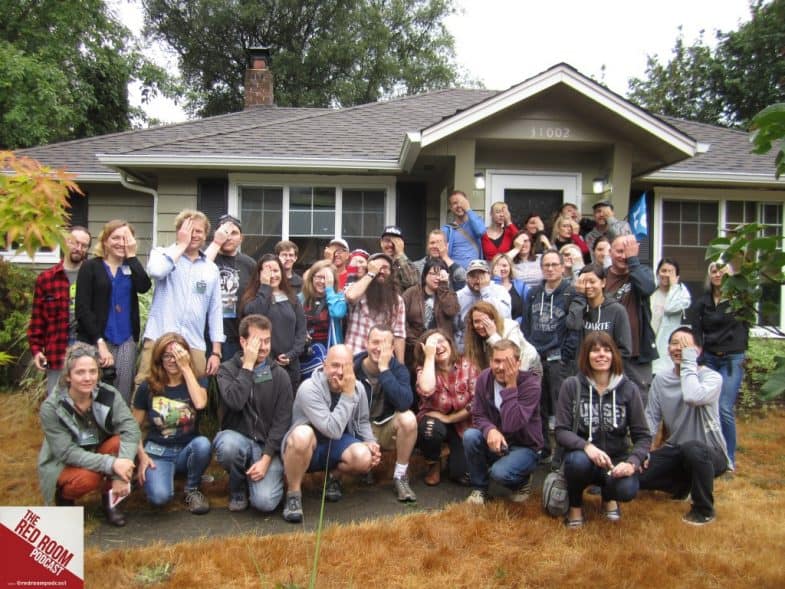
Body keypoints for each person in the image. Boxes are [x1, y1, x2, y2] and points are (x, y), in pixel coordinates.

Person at [38, 343, 141, 527]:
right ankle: (64, 497)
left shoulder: (108, 394)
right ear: (68, 376)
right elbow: (67, 453)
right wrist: (113, 464)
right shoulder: (51, 407)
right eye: (80, 372)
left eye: (93, 371)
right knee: (89, 478)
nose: (88, 378)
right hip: (63, 461)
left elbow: (131, 428)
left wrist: (119, 476)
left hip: (96, 449)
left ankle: (111, 499)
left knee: (121, 442)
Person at [555, 332, 651, 528]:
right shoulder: (571, 386)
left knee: (627, 489)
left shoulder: (629, 389)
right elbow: (561, 430)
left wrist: (632, 463)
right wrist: (587, 446)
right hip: (584, 458)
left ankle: (609, 498)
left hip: (615, 461)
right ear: (586, 355)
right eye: (595, 350)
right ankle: (575, 507)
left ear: (614, 355)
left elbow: (643, 436)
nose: (601, 355)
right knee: (575, 462)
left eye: (607, 350)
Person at [639, 326, 730, 526]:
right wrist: (642, 451)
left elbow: (692, 396)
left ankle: (703, 510)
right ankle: (682, 485)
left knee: (693, 448)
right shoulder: (661, 380)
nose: (678, 348)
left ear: (699, 350)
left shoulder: (712, 378)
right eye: (674, 343)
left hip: (710, 453)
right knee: (638, 476)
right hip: (677, 451)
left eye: (686, 344)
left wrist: (688, 361)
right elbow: (651, 418)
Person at [280, 344, 380, 523]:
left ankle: (333, 478)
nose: (340, 372)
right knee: (302, 434)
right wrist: (348, 395)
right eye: (334, 365)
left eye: (346, 366)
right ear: (324, 365)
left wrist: (370, 442)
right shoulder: (309, 388)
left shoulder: (358, 388)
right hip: (307, 445)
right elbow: (331, 429)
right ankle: (293, 493)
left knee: (364, 457)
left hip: (336, 443)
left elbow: (363, 420)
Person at [215, 314, 293, 513]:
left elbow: (282, 421)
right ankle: (237, 486)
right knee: (227, 446)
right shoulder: (226, 370)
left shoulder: (280, 375)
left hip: (266, 446)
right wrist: (248, 367)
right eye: (258, 341)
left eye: (267, 341)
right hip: (238, 440)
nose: (265, 347)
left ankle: (265, 481)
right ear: (243, 341)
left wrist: (266, 458)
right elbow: (235, 402)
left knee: (265, 503)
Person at [138, 209, 224, 382]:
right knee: (146, 388)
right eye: (188, 230)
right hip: (159, 338)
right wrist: (181, 245)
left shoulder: (210, 268)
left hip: (193, 344)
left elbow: (215, 311)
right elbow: (156, 271)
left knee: (193, 397)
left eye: (198, 231)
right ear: (179, 232)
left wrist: (216, 351)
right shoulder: (162, 254)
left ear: (206, 234)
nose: (194, 235)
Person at [133, 333, 211, 514]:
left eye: (177, 355)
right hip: (158, 452)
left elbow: (199, 403)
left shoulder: (196, 380)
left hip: (186, 450)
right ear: (159, 358)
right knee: (159, 498)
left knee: (203, 445)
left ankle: (191, 489)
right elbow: (132, 427)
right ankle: (162, 477)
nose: (172, 360)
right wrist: (142, 456)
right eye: (166, 356)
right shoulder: (148, 386)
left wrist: (186, 369)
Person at [75, 221, 151, 403]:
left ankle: (116, 431)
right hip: (97, 339)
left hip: (125, 340)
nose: (120, 242)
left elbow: (144, 286)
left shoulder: (131, 267)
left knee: (121, 395)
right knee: (93, 391)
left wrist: (131, 256)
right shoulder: (91, 267)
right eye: (115, 238)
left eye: (125, 239)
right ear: (105, 241)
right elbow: (83, 308)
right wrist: (99, 343)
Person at [463, 340, 543, 505]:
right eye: (496, 361)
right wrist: (490, 429)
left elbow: (513, 424)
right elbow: (478, 414)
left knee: (499, 473)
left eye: (507, 362)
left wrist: (511, 385)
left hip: (525, 445)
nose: (500, 367)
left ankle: (522, 481)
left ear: (518, 363)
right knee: (470, 436)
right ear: (491, 361)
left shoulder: (531, 385)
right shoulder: (484, 378)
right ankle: (480, 489)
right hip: (498, 441)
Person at [690, 262, 749, 470]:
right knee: (709, 407)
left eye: (722, 271)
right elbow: (696, 330)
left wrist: (741, 353)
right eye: (713, 271)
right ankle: (711, 454)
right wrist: (699, 353)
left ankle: (729, 458)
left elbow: (745, 328)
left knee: (724, 407)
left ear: (730, 275)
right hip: (710, 358)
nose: (717, 274)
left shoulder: (738, 301)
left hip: (732, 359)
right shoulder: (703, 302)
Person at [354, 325, 418, 501]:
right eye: (375, 342)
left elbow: (405, 402)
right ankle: (335, 478)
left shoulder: (398, 369)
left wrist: (385, 370)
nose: (379, 348)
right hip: (357, 430)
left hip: (384, 427)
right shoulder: (352, 367)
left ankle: (400, 476)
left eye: (384, 344)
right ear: (366, 344)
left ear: (392, 349)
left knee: (409, 419)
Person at [523, 250, 578, 454]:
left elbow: (575, 328)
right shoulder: (533, 293)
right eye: (546, 265)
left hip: (559, 359)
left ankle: (564, 452)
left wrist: (565, 354)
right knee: (539, 405)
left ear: (563, 267)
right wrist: (529, 350)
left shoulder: (570, 293)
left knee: (561, 407)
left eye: (555, 264)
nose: (550, 268)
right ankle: (544, 449)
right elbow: (527, 325)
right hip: (536, 358)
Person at [28, 226, 92, 396]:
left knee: (85, 406)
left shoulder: (94, 276)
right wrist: (36, 350)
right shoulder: (47, 279)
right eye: (74, 242)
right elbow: (37, 320)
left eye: (84, 245)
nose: (79, 248)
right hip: (57, 349)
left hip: (86, 349)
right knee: (57, 403)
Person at [415, 329, 477, 486]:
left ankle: (451, 455)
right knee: (430, 430)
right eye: (432, 344)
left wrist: (450, 418)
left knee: (462, 476)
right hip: (434, 421)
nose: (438, 346)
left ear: (450, 343)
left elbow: (476, 403)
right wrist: (429, 357)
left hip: (462, 423)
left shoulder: (467, 364)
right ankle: (433, 464)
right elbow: (427, 389)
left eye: (441, 341)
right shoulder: (424, 369)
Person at [239, 254, 307, 391]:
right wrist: (265, 286)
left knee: (288, 404)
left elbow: (301, 330)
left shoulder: (292, 298)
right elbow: (254, 314)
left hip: (290, 363)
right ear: (259, 274)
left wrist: (292, 355)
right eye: (267, 271)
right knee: (265, 399)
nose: (273, 275)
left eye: (276, 270)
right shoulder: (252, 298)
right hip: (262, 363)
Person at [605, 235, 658, 403]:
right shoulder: (601, 276)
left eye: (627, 252)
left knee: (639, 401)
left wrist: (633, 261)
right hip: (607, 352)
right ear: (610, 252)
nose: (623, 256)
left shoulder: (642, 273)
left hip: (637, 352)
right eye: (619, 251)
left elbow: (647, 288)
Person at [204, 214, 258, 361]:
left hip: (236, 335)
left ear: (241, 238)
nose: (229, 237)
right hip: (206, 334)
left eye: (234, 233)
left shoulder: (250, 264)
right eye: (225, 233)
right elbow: (199, 272)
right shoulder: (207, 258)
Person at [344, 253, 406, 361]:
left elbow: (399, 335)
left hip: (382, 360)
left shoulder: (397, 301)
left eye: (385, 268)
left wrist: (400, 366)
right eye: (377, 267)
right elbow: (351, 296)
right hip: (354, 356)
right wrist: (371, 273)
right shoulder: (357, 289)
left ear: (391, 273)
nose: (381, 271)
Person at [401, 257, 459, 368]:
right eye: (433, 274)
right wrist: (414, 341)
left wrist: (443, 286)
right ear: (425, 275)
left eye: (440, 274)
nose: (437, 278)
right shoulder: (411, 293)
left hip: (441, 347)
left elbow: (451, 310)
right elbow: (401, 318)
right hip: (414, 348)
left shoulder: (448, 293)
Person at [567, 263, 632, 360]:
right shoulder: (578, 305)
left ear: (603, 282)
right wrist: (580, 296)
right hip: (582, 370)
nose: (588, 286)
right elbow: (573, 325)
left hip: (607, 368)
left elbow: (625, 350)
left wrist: (601, 359)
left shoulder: (617, 310)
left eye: (592, 282)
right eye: (584, 282)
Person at [463, 301, 541, 375]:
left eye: (484, 320)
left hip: (527, 364)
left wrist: (493, 335)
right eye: (476, 321)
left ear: (493, 319)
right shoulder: (475, 336)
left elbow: (511, 356)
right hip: (502, 370)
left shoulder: (510, 327)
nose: (480, 325)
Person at [455, 259, 511, 353]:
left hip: (497, 341)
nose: (478, 280)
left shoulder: (500, 291)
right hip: (469, 347)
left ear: (489, 276)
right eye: (473, 276)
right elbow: (456, 327)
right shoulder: (459, 296)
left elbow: (504, 316)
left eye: (482, 275)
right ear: (467, 278)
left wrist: (485, 291)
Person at [651, 258, 692, 375]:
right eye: (663, 270)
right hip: (650, 346)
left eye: (671, 272)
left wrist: (673, 287)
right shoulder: (651, 292)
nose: (667, 275)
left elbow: (670, 307)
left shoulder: (681, 293)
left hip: (666, 349)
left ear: (677, 276)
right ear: (658, 272)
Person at [301, 259, 347, 348]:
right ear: (312, 278)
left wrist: (329, 289)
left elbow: (337, 313)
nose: (322, 281)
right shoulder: (302, 298)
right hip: (305, 350)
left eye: (326, 278)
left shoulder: (339, 297)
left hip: (330, 348)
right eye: (319, 277)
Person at [442, 190, 485, 270]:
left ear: (467, 203)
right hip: (455, 275)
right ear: (451, 208)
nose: (458, 205)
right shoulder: (447, 230)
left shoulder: (476, 223)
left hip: (475, 273)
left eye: (461, 202)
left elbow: (481, 231)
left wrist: (468, 209)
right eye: (454, 203)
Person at [490, 253, 528, 326]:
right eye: (497, 265)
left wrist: (519, 322)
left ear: (510, 267)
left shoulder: (521, 286)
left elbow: (528, 308)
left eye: (504, 266)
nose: (501, 269)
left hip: (518, 327)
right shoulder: (489, 287)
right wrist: (497, 279)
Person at [379, 225, 419, 292]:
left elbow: (413, 284)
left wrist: (400, 254)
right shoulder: (375, 262)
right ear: (381, 242)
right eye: (387, 240)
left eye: (395, 241)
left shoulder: (409, 265)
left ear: (401, 244)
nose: (390, 245)